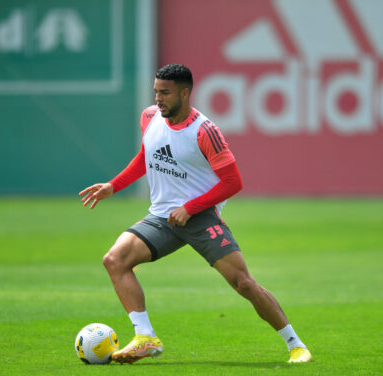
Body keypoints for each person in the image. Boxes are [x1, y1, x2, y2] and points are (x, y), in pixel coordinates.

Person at [79, 64, 312, 364]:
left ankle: (296, 345)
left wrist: (190, 208)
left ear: (185, 92)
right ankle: (145, 337)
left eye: (165, 93)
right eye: (156, 92)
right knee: (114, 260)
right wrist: (115, 185)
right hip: (162, 217)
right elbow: (147, 155)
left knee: (243, 282)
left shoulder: (205, 131)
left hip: (200, 218)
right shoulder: (149, 117)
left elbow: (233, 182)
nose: (158, 98)